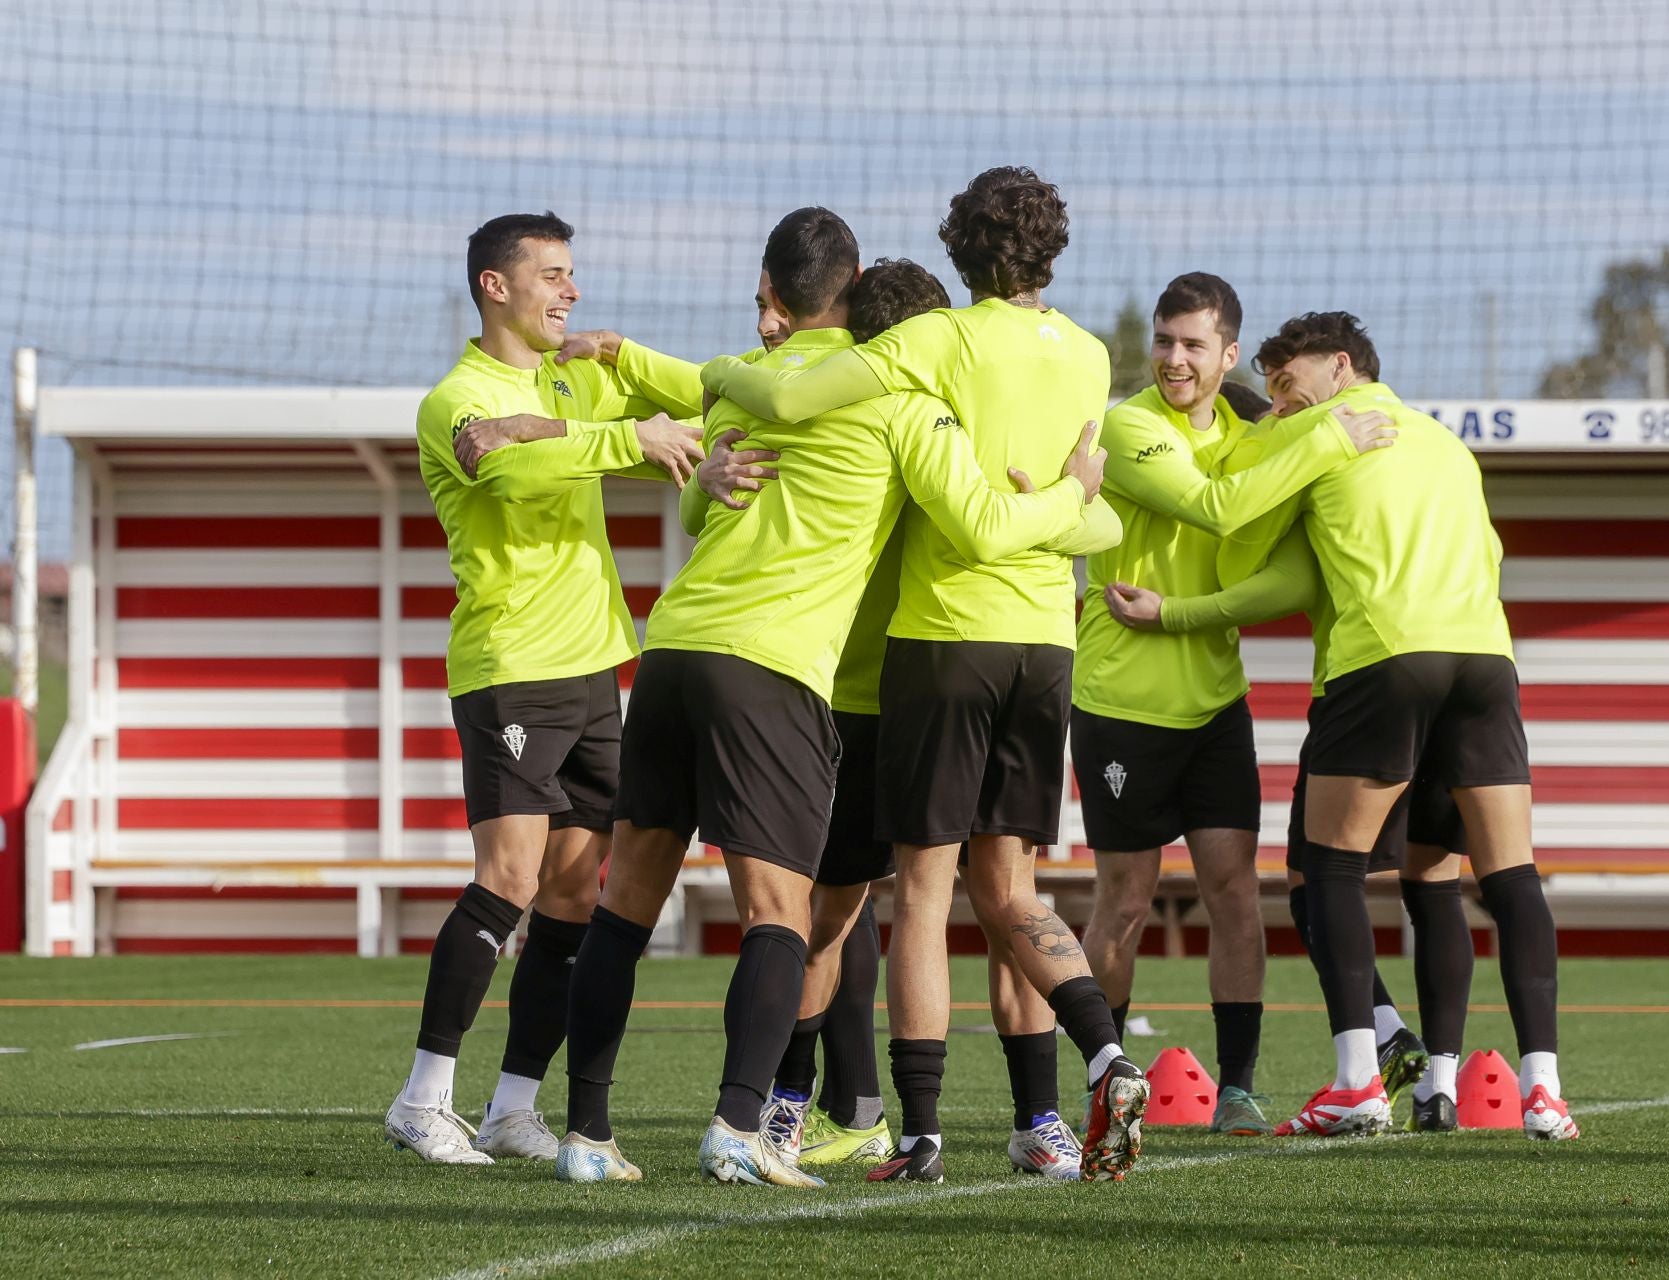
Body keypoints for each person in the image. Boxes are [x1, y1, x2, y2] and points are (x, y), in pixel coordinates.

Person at [554, 207, 1117, 1187]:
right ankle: (748, 1122)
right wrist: (1073, 493)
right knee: (788, 914)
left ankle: (587, 1132)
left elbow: (695, 493)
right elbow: (982, 520)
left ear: (777, 297)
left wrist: (667, 394)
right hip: (776, 671)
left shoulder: (741, 386)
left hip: (673, 647)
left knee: (626, 903)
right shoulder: (901, 403)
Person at [701, 168, 1163, 1182]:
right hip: (1048, 640)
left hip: (944, 637)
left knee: (919, 893)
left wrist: (713, 376)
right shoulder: (1089, 355)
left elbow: (788, 388)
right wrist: (1059, 506)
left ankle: (915, 1130)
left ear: (958, 251)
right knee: (1014, 887)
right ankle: (1105, 1055)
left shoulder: (937, 339)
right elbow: (1101, 510)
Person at [386, 211, 704, 1164]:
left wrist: (625, 356)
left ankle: (511, 1107)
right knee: (511, 879)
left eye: (574, 276)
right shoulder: (457, 397)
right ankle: (421, 1097)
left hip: (594, 667)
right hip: (511, 668)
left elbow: (700, 398)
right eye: (553, 276)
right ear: (496, 285)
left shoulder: (572, 375)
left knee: (572, 895)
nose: (570, 292)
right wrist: (622, 440)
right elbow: (511, 465)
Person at [1218, 311, 1577, 1141]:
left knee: (1329, 869)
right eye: (1269, 384)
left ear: (1342, 366)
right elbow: (1489, 557)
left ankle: (1356, 1083)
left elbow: (1234, 525)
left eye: (1288, 377)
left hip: (1384, 654)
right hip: (1485, 658)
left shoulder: (1319, 435)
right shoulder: (1447, 444)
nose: (1280, 397)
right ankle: (1539, 1093)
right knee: (1498, 877)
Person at [1072, 272, 1396, 1137]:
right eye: (1164, 340)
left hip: (1216, 704)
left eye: (1193, 345)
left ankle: (1240, 1087)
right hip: (1121, 703)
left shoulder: (1255, 434)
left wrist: (1289, 428)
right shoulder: (1131, 425)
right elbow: (1218, 510)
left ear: (1227, 354)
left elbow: (1286, 572)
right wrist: (1327, 437)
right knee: (1127, 900)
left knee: (1235, 895)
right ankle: (1107, 1081)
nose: (1174, 359)